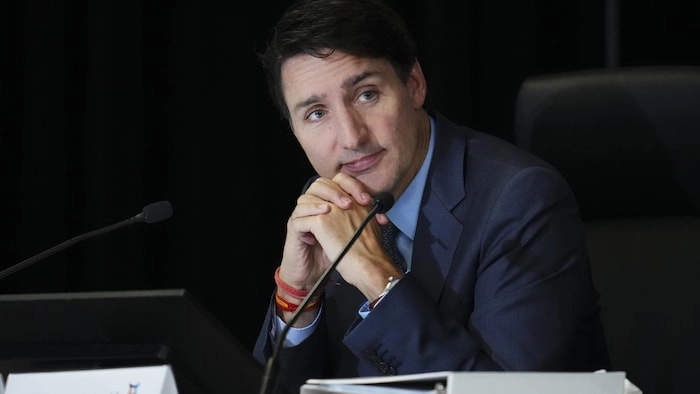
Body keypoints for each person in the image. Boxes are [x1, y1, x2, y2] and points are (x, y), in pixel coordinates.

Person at [253, 0, 610, 392]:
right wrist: (297, 294)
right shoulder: (328, 204)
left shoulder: (521, 201)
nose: (351, 138)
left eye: (366, 95)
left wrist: (377, 278)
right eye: (317, 114)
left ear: (414, 85)